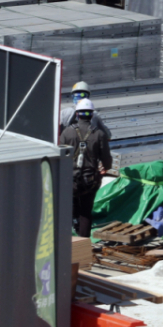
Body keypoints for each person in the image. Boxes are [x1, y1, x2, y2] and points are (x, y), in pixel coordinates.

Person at [59, 98, 112, 238]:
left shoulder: (67, 133)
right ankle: (83, 241)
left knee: (73, 205)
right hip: (90, 180)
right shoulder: (99, 134)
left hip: (70, 179)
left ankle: (74, 232)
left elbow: (60, 155)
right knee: (86, 212)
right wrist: (105, 168)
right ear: (91, 115)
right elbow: (106, 159)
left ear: (77, 114)